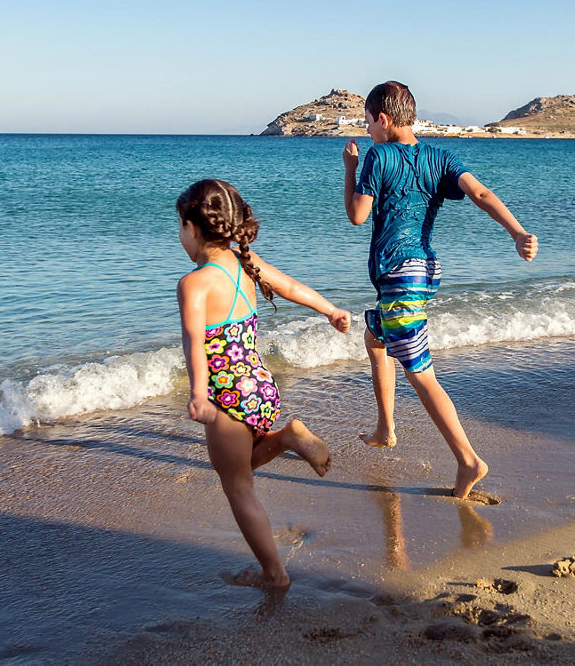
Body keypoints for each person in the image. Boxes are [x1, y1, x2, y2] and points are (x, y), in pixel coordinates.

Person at [342, 81, 538, 499]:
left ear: (383, 119)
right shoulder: (440, 156)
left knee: (421, 373)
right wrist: (517, 232)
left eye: (368, 123)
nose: (369, 131)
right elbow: (480, 192)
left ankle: (468, 460)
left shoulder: (378, 155)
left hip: (398, 272)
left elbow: (358, 216)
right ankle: (385, 428)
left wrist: (350, 171)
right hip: (424, 269)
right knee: (375, 339)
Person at [175, 178, 351, 589]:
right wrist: (330, 310)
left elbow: (195, 343)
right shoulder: (244, 263)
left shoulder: (194, 283)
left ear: (193, 227)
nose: (180, 235)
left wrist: (199, 395)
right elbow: (289, 287)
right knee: (241, 467)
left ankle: (274, 574)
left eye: (180, 225)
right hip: (260, 386)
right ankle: (287, 435)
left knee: (237, 487)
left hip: (227, 397)